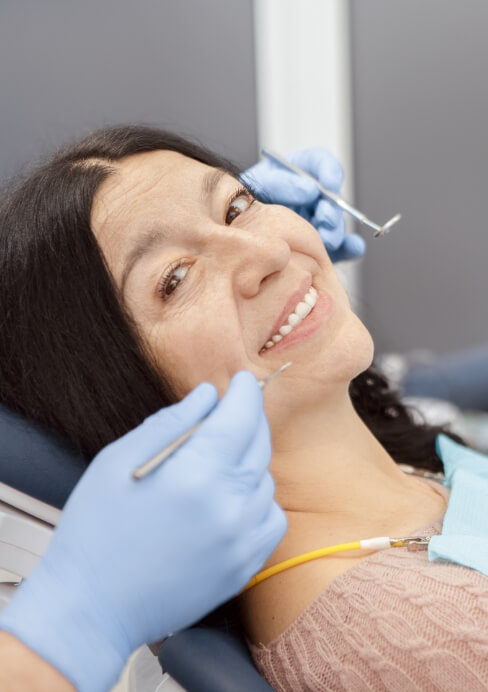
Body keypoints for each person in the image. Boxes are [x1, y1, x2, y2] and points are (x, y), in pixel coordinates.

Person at [2, 125, 486, 690]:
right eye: (175, 279)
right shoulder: (417, 641)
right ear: (113, 391)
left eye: (236, 207)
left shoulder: (413, 460)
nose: (270, 251)